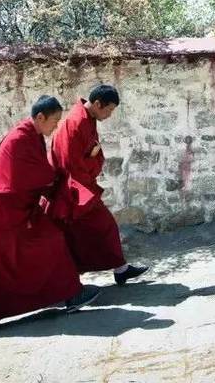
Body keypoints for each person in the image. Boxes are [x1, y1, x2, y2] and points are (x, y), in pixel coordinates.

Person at [0, 95, 101, 329]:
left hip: (19, 209)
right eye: (54, 122)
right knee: (2, 266)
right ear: (40, 117)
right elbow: (35, 174)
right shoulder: (20, 139)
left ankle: (69, 293)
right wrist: (58, 177)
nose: (56, 127)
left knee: (50, 242)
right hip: (8, 213)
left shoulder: (31, 134)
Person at [50, 84, 148, 286]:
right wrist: (93, 160)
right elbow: (71, 164)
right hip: (74, 190)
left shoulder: (87, 118)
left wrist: (94, 156)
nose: (110, 115)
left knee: (92, 231)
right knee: (97, 228)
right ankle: (71, 281)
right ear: (97, 104)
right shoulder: (77, 123)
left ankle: (119, 269)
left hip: (78, 186)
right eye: (109, 109)